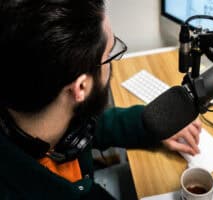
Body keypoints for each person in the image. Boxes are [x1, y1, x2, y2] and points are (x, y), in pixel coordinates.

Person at [0, 0, 201, 199]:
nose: (111, 62)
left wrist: (151, 124)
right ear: (81, 87)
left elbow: (92, 124)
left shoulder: (34, 107)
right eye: (110, 53)